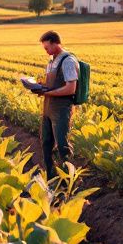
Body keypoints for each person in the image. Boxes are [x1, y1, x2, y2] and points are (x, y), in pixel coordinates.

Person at [37, 30, 79, 179]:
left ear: (55, 43)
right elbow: (52, 84)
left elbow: (70, 88)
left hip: (61, 108)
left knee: (62, 145)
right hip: (48, 107)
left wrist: (47, 92)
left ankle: (70, 180)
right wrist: (40, 86)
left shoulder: (68, 60)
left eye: (47, 47)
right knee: (46, 144)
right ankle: (52, 178)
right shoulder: (51, 61)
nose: (46, 51)